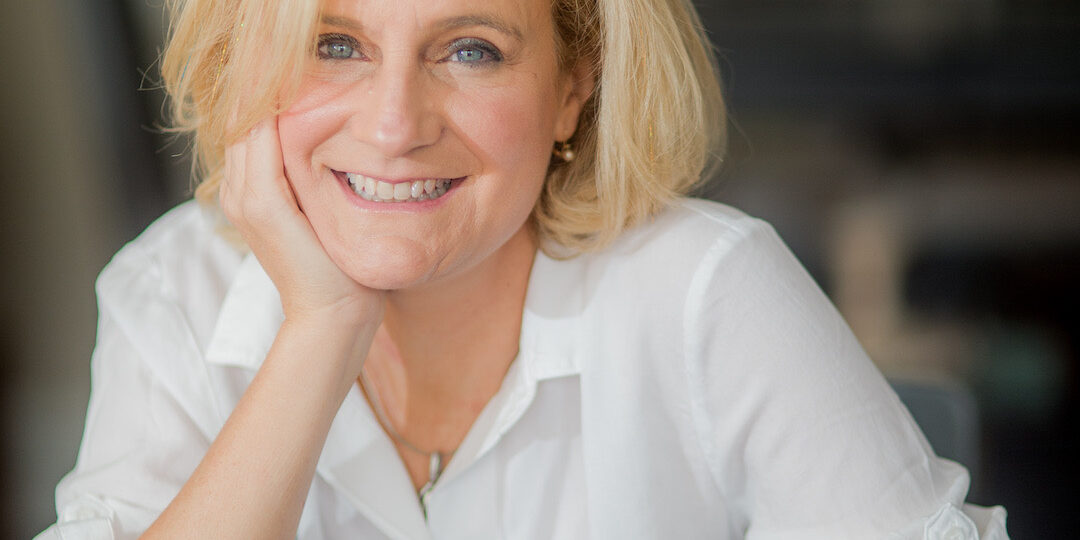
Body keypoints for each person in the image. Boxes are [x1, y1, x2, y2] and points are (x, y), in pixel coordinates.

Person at [37, 0, 1009, 538]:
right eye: (335, 44)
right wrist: (324, 328)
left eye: (470, 49)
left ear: (571, 87)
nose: (393, 124)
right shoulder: (174, 293)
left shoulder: (704, 290)